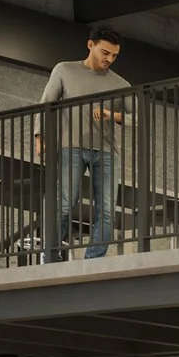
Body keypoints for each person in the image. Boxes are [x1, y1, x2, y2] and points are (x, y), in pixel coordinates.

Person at [40, 26, 128, 259]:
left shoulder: (121, 84)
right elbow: (47, 103)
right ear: (91, 45)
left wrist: (112, 114)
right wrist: (41, 137)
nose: (109, 59)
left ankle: (95, 259)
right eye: (105, 52)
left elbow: (138, 120)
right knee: (66, 203)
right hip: (71, 147)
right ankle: (51, 254)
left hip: (108, 152)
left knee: (107, 209)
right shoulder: (64, 70)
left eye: (114, 55)